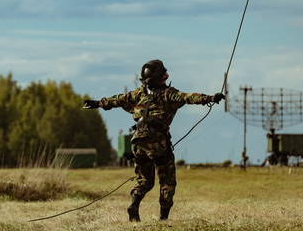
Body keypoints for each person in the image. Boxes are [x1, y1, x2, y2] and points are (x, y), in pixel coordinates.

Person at [83, 59, 224, 221]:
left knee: (143, 180)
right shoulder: (168, 93)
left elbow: (118, 99)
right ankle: (163, 219)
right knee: (167, 180)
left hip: (138, 141)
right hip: (158, 141)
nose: (167, 75)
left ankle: (134, 204)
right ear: (159, 78)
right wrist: (211, 98)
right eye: (164, 73)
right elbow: (188, 97)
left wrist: (97, 103)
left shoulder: (139, 93)